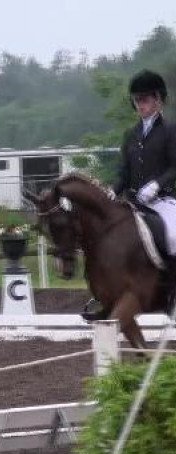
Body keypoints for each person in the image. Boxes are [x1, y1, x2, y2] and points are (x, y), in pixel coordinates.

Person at [82, 69, 176, 321]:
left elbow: (174, 167)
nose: (140, 105)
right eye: (137, 100)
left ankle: (173, 295)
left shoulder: (169, 131)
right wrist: (112, 191)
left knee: (174, 236)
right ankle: (107, 294)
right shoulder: (130, 135)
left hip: (164, 200)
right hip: (134, 201)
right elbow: (124, 172)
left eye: (145, 100)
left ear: (158, 100)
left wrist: (156, 185)